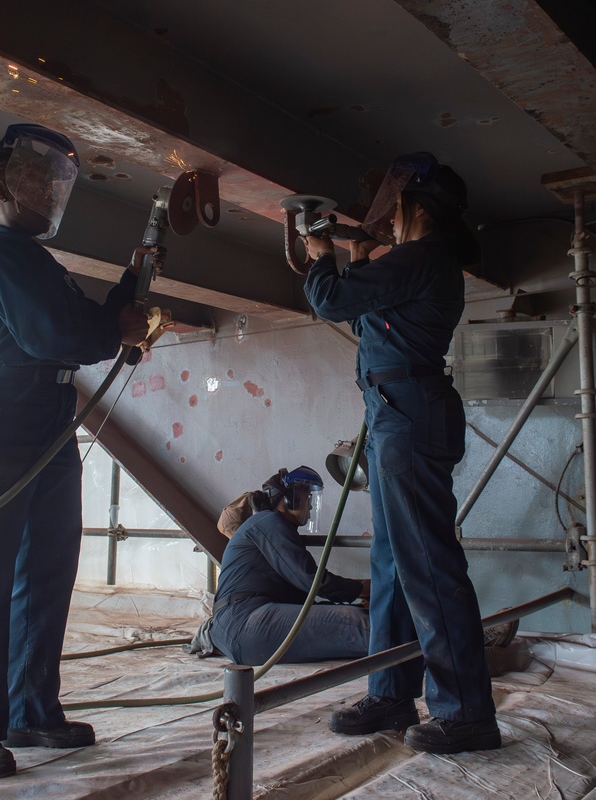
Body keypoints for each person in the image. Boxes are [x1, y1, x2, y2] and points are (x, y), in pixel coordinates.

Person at [0, 123, 151, 779]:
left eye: (53, 183)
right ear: (1, 187)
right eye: (37, 181)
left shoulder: (32, 259)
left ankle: (30, 710)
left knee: (47, 567)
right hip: (10, 415)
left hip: (50, 411)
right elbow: (58, 331)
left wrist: (125, 291)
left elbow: (79, 329)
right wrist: (112, 324)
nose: (49, 194)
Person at [302, 152, 500, 755]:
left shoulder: (424, 256)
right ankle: (390, 691)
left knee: (427, 565)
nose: (389, 222)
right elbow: (369, 321)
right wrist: (361, 254)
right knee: (392, 563)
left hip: (408, 412)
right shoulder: (420, 264)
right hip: (398, 410)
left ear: (414, 207)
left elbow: (331, 301)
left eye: (394, 213)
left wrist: (320, 254)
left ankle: (466, 712)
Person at [210, 467, 371, 665]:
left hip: (239, 625)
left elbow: (301, 600)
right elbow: (312, 581)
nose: (310, 506)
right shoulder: (268, 522)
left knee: (357, 619)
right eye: (307, 498)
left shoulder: (273, 528)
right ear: (289, 499)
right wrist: (363, 588)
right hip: (244, 623)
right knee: (365, 625)